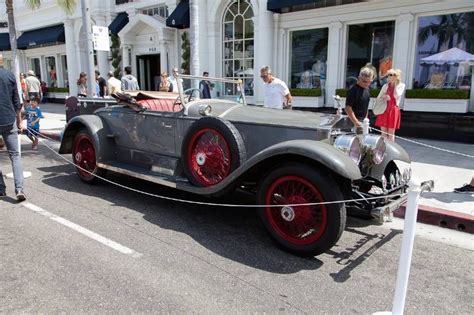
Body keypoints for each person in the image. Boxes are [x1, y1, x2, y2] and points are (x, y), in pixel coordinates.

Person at [0, 65, 26, 201]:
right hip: (9, 119)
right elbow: (17, 102)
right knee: (15, 155)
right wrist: (19, 121)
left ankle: (0, 188)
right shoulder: (9, 76)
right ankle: (19, 189)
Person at [374, 69, 406, 141]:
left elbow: (397, 95)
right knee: (383, 133)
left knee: (391, 134)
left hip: (393, 110)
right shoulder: (385, 86)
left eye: (393, 75)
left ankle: (390, 150)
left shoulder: (401, 85)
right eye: (389, 75)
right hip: (384, 109)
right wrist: (384, 97)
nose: (390, 77)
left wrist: (394, 85)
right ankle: (384, 149)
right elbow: (379, 97)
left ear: (397, 76)